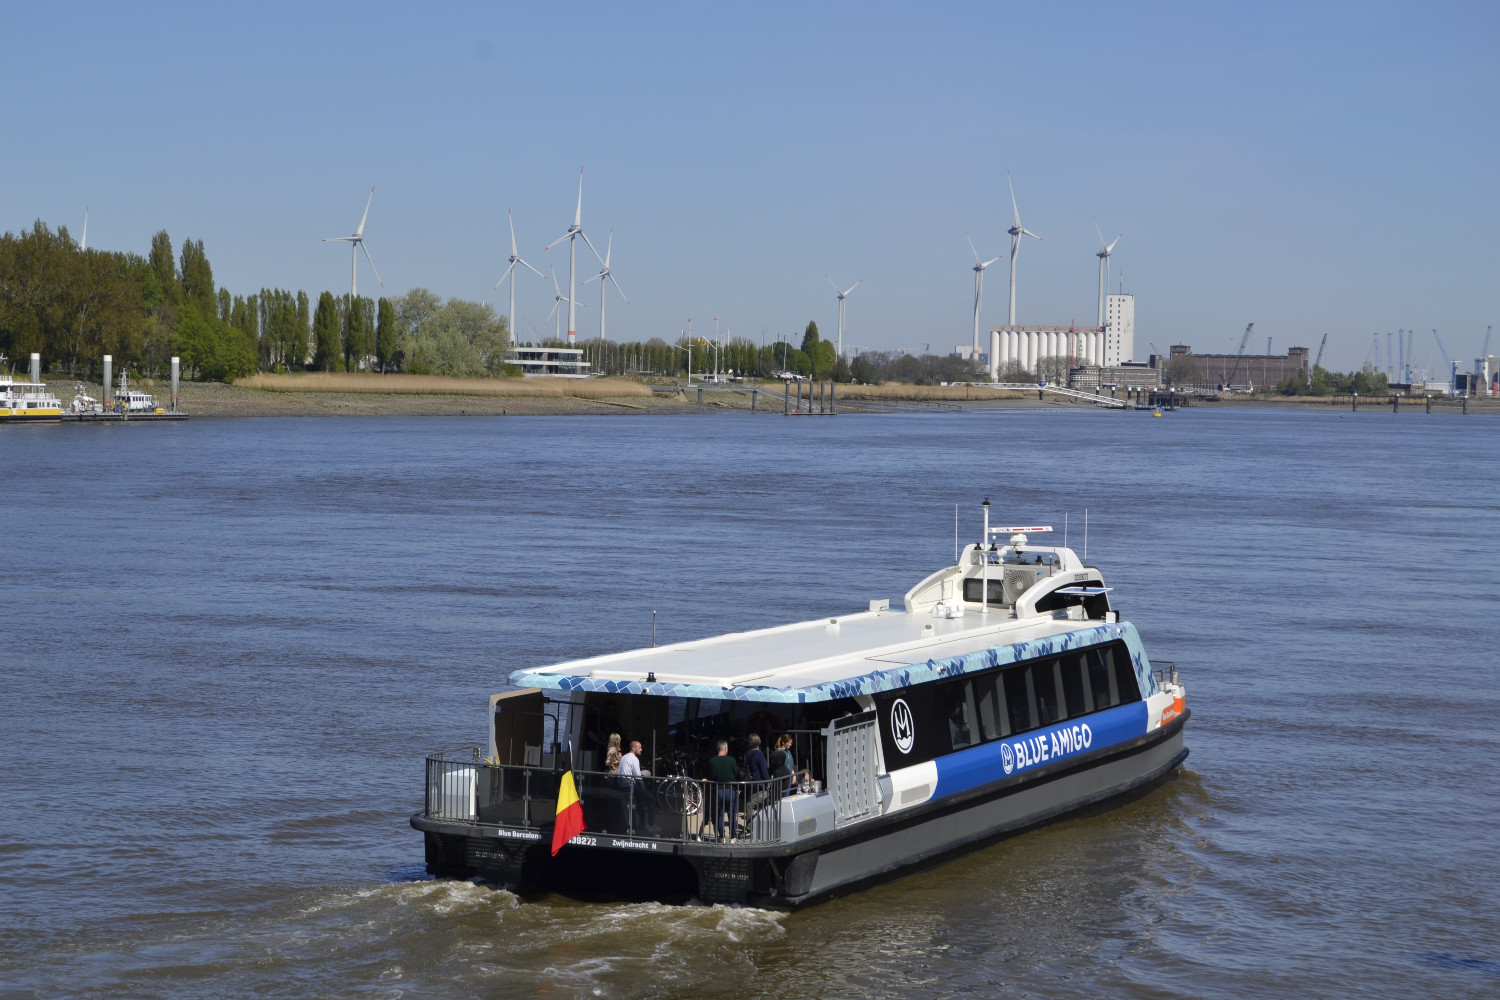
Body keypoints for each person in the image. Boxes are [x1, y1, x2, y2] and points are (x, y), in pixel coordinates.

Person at [704, 739, 740, 840]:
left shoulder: (712, 761)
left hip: (718, 790)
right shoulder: (732, 760)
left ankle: (722, 836)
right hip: (730, 790)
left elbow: (709, 775)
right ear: (725, 749)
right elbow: (737, 773)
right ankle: (732, 837)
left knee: (719, 814)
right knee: (732, 814)